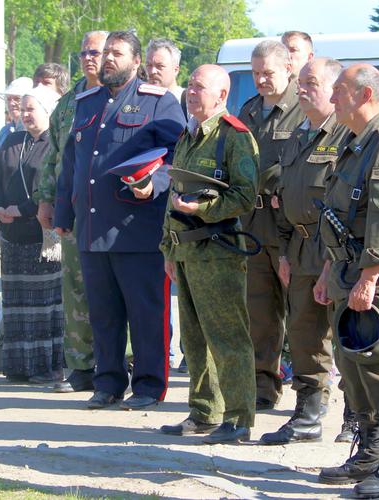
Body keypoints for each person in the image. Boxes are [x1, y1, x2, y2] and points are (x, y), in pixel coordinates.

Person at [54, 31, 186, 410]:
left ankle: (148, 386)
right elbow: (71, 164)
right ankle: (108, 382)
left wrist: (155, 183)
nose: (108, 58)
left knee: (146, 314)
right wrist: (64, 212)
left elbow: (178, 156)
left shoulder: (157, 102)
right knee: (103, 314)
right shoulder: (86, 103)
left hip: (137, 228)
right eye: (106, 52)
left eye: (117, 53)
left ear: (136, 61)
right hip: (93, 229)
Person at [315, 64, 379, 498]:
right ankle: (370, 454)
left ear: (365, 95)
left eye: (339, 90)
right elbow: (337, 214)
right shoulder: (356, 142)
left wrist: (369, 276)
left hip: (377, 276)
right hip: (347, 271)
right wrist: (328, 272)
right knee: (354, 366)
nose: (332, 98)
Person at [159, 64, 259, 444]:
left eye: (200, 87)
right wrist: (168, 247)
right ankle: (204, 412)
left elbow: (245, 196)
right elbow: (173, 197)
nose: (191, 92)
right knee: (194, 339)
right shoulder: (189, 134)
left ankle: (238, 418)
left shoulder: (234, 137)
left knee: (228, 338)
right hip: (186, 252)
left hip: (218, 253)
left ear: (222, 95)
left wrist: (203, 209)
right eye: (190, 86)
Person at [261, 58, 349, 445]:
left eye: (311, 83)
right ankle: (308, 414)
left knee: (345, 336)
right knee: (303, 334)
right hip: (298, 248)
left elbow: (346, 205)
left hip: (335, 249)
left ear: (333, 88)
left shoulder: (347, 133)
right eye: (301, 82)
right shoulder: (299, 134)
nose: (302, 89)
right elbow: (284, 196)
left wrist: (331, 261)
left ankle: (356, 418)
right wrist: (283, 252)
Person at [37, 31, 108, 393]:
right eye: (83, 52)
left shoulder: (124, 96)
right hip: (74, 211)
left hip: (114, 212)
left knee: (115, 288)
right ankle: (81, 365)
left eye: (96, 51)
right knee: (76, 287)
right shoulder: (68, 103)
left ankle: (120, 362)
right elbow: (54, 156)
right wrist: (45, 199)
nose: (88, 58)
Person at [238, 40, 305, 411]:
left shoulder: (304, 107)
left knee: (302, 314)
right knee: (259, 311)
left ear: (288, 68)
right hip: (252, 222)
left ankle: (311, 393)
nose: (261, 79)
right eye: (255, 73)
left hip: (290, 224)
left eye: (268, 73)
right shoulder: (249, 110)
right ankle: (263, 386)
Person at [0, 85, 63, 383]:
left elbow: (52, 187)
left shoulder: (55, 143)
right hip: (11, 236)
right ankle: (18, 366)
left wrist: (21, 209)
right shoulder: (12, 141)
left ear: (48, 111)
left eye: (32, 109)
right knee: (15, 305)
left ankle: (45, 368)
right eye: (23, 109)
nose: (25, 114)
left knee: (43, 308)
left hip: (41, 236)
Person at [146, 37, 188, 373]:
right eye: (149, 64)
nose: (153, 71)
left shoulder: (188, 99)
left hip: (183, 209)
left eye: (160, 65)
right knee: (154, 286)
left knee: (186, 285)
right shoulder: (140, 101)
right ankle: (161, 350)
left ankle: (188, 351)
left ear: (176, 68)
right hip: (147, 208)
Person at [0, 77, 34, 152]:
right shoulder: (4, 131)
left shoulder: (35, 131)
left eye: (17, 98)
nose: (11, 103)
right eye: (8, 99)